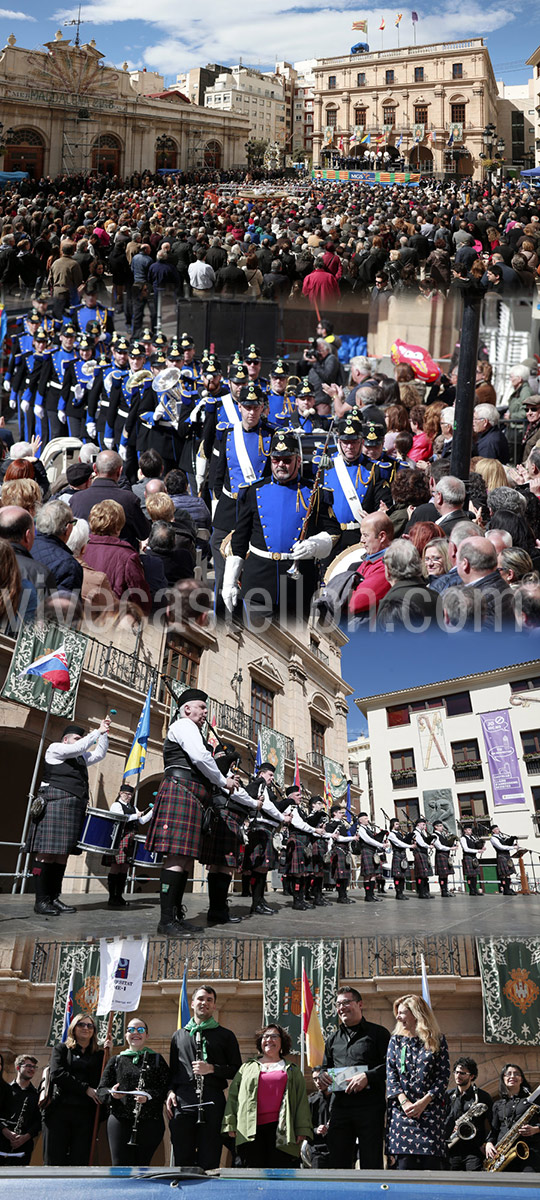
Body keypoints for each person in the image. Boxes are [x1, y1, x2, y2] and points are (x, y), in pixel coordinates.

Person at [145, 687, 242, 936]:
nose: (205, 711)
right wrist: (224, 780)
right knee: (177, 858)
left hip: (191, 793)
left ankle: (175, 916)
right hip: (182, 789)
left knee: (185, 860)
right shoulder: (184, 725)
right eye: (202, 706)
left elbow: (202, 760)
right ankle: (166, 921)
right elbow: (200, 757)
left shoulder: (192, 728)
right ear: (187, 708)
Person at [223, 430, 339, 623]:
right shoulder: (253, 491)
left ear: (298, 460)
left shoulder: (315, 492)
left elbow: (334, 532)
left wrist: (314, 546)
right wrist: (229, 582)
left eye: (287, 460)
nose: (281, 465)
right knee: (258, 645)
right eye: (276, 460)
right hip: (258, 579)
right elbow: (240, 540)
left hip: (298, 584)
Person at [28, 716, 110, 915]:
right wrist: (96, 732)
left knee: (62, 855)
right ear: (66, 740)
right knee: (46, 853)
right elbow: (78, 748)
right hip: (55, 803)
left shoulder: (80, 758)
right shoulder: (56, 749)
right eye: (76, 738)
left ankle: (54, 898)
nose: (79, 742)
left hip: (73, 808)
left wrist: (104, 733)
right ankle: (41, 900)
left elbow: (99, 754)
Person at [167, 984, 241, 1169]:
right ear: (192, 1003)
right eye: (200, 999)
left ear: (214, 1006)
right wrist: (170, 1091)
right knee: (182, 1157)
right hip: (184, 1101)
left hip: (212, 1100)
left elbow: (237, 1069)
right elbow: (174, 1071)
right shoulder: (179, 1036)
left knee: (210, 1157)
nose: (204, 1003)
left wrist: (212, 1069)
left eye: (209, 1000)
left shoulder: (226, 1035)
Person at [222, 1023, 312, 1167]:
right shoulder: (246, 1067)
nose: (269, 1039)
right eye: (266, 1036)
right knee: (251, 1169)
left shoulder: (292, 1070)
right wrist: (230, 1124)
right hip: (250, 1130)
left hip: (281, 1130)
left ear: (282, 1042)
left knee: (279, 1171)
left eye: (274, 1036)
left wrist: (302, 1129)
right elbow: (233, 1096)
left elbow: (301, 1101)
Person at [320, 985, 390, 1169]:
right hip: (339, 1108)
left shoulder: (378, 1033)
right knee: (338, 1162)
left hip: (370, 1108)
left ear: (360, 1004)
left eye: (346, 1002)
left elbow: (391, 1067)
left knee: (370, 1161)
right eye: (338, 1004)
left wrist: (368, 1076)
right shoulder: (332, 1039)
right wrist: (321, 1077)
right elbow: (325, 1068)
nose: (341, 1007)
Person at [385, 993, 450, 1170]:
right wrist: (404, 1102)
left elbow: (443, 1077)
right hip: (402, 1116)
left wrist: (423, 1103)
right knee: (405, 1167)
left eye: (402, 1013)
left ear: (416, 1014)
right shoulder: (396, 1041)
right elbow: (391, 1075)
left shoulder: (437, 1040)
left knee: (431, 1168)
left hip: (430, 1114)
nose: (398, 1017)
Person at [96, 1017, 169, 1166]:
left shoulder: (156, 1059)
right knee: (120, 1166)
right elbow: (101, 1090)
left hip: (149, 1121)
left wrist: (148, 1096)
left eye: (140, 1030)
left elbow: (166, 1088)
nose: (136, 1033)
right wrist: (112, 1093)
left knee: (142, 1165)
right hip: (120, 1119)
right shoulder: (116, 1060)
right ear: (126, 1035)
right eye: (131, 1030)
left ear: (147, 1035)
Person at [43, 1013, 110, 1165]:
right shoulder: (61, 1049)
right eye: (81, 1024)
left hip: (86, 1115)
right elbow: (57, 1074)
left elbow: (103, 1079)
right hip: (59, 1111)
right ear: (73, 1028)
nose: (86, 1028)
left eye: (90, 1025)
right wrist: (85, 1089)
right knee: (53, 1160)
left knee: (80, 1161)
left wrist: (108, 1053)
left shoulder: (99, 1055)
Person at [485, 1064, 540, 1172]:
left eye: (516, 1074)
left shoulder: (531, 1102)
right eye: (508, 1074)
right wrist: (488, 1143)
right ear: (503, 1079)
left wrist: (536, 1129)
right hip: (504, 1154)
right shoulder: (498, 1105)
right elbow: (494, 1130)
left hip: (530, 1151)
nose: (512, 1076)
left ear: (521, 1079)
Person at [445, 1057, 492, 1172]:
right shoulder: (447, 1096)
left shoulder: (482, 1096)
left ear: (472, 1076)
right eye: (456, 1072)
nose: (458, 1076)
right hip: (451, 1149)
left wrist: (488, 1142)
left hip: (474, 1151)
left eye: (462, 1073)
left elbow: (493, 1123)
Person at [0, 1054, 41, 1166]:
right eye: (28, 1066)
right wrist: (5, 1131)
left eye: (34, 1067)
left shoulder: (37, 1095)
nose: (32, 1069)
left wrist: (25, 1137)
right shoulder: (4, 1090)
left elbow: (38, 1121)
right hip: (2, 1140)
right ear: (18, 1067)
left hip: (23, 1145)